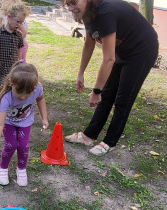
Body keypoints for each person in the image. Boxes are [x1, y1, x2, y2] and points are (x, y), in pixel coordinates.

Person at [64, 0, 158, 155]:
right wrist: (81, 73)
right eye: (67, 4)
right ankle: (88, 136)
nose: (70, 8)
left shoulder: (105, 13)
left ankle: (109, 142)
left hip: (142, 50)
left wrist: (96, 90)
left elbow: (109, 59)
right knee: (107, 93)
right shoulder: (88, 14)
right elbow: (89, 43)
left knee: (123, 98)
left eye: (73, 3)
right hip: (123, 49)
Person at [0, 61, 48, 186]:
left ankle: (21, 169)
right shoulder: (6, 98)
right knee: (10, 145)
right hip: (9, 122)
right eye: (19, 93)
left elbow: (41, 99)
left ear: (34, 87)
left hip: (25, 122)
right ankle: (3, 167)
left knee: (23, 146)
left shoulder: (38, 88)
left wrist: (44, 118)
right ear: (11, 83)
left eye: (27, 94)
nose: (22, 97)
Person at [0, 2, 29, 123]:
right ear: (8, 17)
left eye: (22, 22)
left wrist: (20, 64)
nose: (19, 25)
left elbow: (19, 52)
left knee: (12, 91)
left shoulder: (18, 36)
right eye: (17, 21)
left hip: (12, 71)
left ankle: (10, 113)